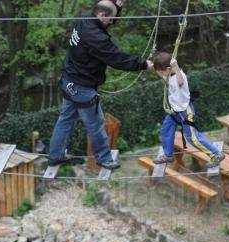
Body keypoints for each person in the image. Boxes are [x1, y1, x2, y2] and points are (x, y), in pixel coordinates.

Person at [48, 0, 154, 170]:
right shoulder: (96, 37)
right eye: (111, 19)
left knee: (65, 119)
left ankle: (55, 155)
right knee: (95, 124)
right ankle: (104, 158)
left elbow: (106, 22)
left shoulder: (85, 19)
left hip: (69, 80)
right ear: (101, 15)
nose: (112, 23)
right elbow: (117, 58)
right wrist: (144, 65)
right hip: (81, 86)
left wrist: (117, 6)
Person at [153, 52, 225, 169]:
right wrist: (154, 68)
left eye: (162, 72)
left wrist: (176, 67)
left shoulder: (179, 75)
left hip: (184, 111)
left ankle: (216, 154)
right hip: (173, 111)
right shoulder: (168, 75)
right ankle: (168, 155)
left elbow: (180, 81)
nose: (161, 74)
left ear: (168, 68)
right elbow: (163, 75)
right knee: (165, 131)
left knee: (192, 137)